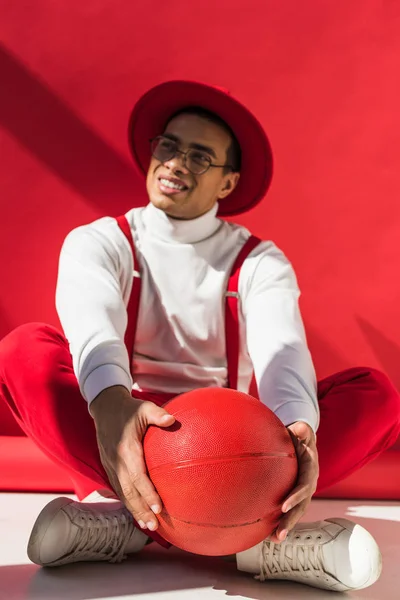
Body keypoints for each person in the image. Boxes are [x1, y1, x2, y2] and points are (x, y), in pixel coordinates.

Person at [1, 80, 399, 592]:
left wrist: (300, 429)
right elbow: (92, 324)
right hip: (127, 428)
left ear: (228, 184)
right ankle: (248, 543)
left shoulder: (258, 261)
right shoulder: (101, 241)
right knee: (21, 352)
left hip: (229, 444)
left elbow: (283, 351)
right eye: (168, 145)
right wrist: (110, 404)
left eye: (199, 155)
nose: (175, 162)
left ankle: (134, 526)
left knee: (375, 395)